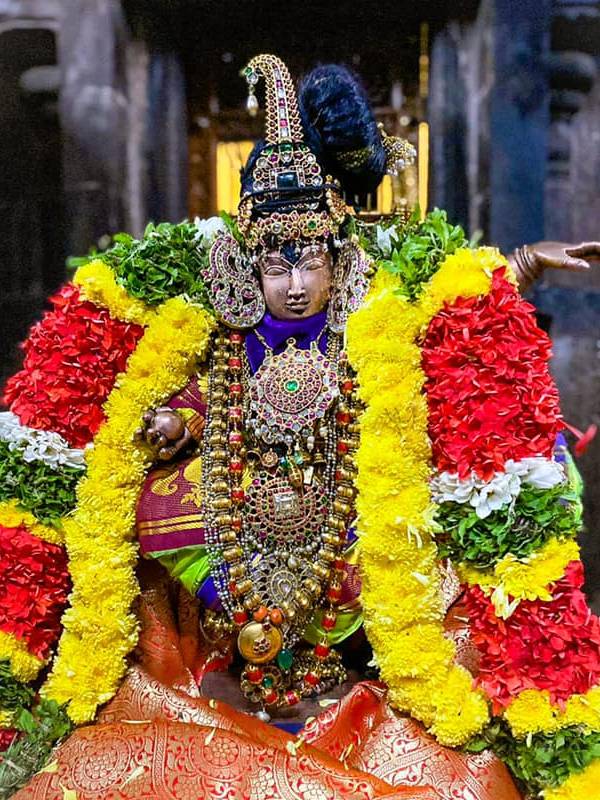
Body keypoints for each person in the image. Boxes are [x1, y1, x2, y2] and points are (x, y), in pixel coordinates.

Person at [1, 54, 600, 800]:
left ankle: (346, 675)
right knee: (157, 514)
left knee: (401, 536)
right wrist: (175, 419)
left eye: (308, 263)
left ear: (335, 260)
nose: (292, 285)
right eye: (275, 267)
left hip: (346, 498)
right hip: (237, 499)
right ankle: (239, 669)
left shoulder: (370, 318)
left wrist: (520, 264)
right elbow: (198, 391)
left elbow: (441, 304)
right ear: (247, 268)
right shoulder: (225, 329)